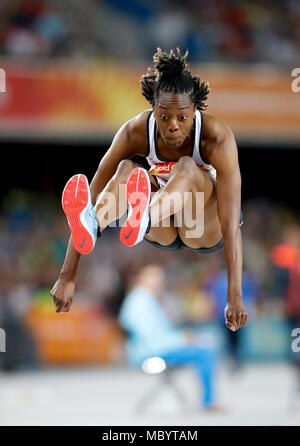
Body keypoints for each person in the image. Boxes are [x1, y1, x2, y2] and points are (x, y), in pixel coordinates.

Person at [50, 48, 248, 332]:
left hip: (203, 227)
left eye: (182, 117)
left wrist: (235, 295)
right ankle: (97, 225)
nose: (172, 127)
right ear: (153, 109)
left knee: (187, 167)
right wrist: (67, 276)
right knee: (127, 170)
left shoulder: (217, 137)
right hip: (162, 230)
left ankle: (143, 215)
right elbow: (90, 196)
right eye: (164, 116)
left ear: (196, 110)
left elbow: (231, 225)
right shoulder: (135, 131)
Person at [118, 264, 219, 411]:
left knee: (202, 346)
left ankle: (207, 400)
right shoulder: (141, 301)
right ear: (142, 278)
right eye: (154, 277)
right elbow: (152, 338)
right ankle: (208, 402)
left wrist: (182, 338)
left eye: (160, 277)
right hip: (150, 353)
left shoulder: (145, 298)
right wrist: (182, 339)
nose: (159, 281)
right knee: (204, 352)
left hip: (153, 348)